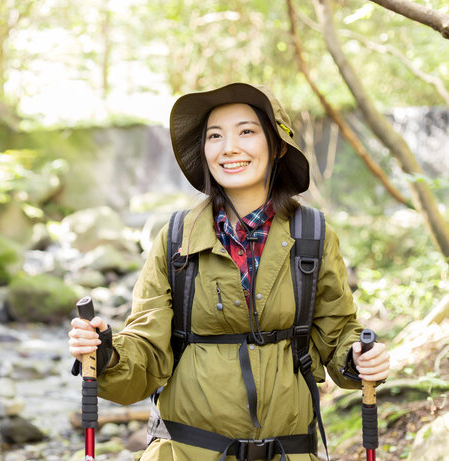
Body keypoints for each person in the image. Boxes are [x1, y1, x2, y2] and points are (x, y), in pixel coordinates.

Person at [68, 82, 390, 460]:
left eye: (247, 132)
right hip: (186, 452)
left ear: (278, 146)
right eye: (215, 136)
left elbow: (336, 334)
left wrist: (358, 357)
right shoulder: (176, 240)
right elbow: (148, 350)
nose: (229, 148)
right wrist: (106, 353)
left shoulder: (313, 236)